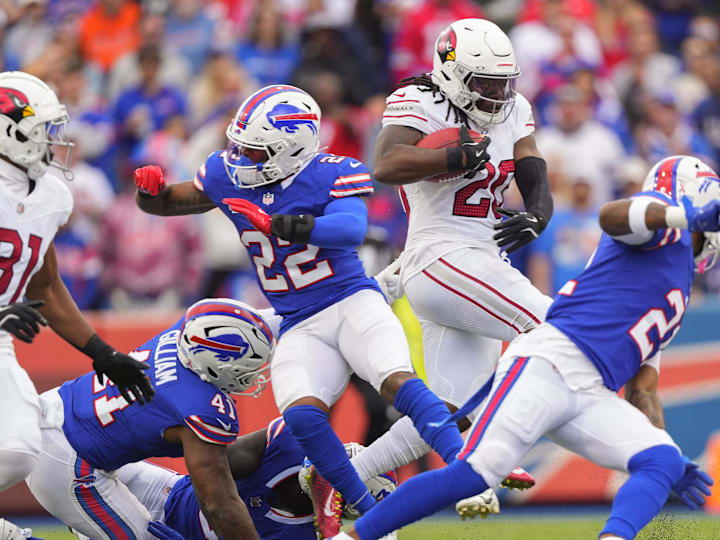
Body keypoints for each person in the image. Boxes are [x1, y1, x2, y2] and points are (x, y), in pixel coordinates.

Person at [132, 84, 465, 538]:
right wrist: (148, 194)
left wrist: (284, 225)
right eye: (240, 147)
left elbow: (350, 229)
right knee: (302, 416)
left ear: (291, 148)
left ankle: (470, 468)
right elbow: (173, 200)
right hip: (297, 320)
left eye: (255, 151)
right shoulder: (228, 174)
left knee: (394, 380)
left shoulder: (332, 172)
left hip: (349, 300)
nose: (241, 158)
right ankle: (365, 512)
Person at [334, 155, 719, 540]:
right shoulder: (660, 229)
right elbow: (613, 216)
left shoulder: (679, 286)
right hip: (550, 361)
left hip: (591, 390)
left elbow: (643, 390)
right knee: (474, 474)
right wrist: (684, 216)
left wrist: (668, 453)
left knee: (661, 459)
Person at [367, 18, 551, 514]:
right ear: (450, 72)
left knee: (454, 410)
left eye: (503, 82)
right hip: (441, 254)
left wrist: (540, 208)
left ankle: (341, 474)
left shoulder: (515, 109)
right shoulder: (420, 99)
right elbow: (384, 165)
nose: (496, 94)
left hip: (478, 260)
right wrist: (449, 156)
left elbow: (529, 160)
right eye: (484, 83)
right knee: (558, 327)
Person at [0, 71, 153, 496]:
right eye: (42, 130)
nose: (52, 140)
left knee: (18, 447)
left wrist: (102, 353)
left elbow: (45, 285)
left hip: (0, 339)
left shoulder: (51, 195)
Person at [25, 298, 275, 540]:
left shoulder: (189, 328)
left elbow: (252, 320)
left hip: (62, 410)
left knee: (173, 499)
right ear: (217, 365)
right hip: (65, 460)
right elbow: (218, 505)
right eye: (249, 367)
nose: (255, 374)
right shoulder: (200, 407)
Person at [74, 418, 398, 540]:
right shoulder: (290, 441)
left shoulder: (300, 535)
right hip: (168, 492)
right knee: (74, 459)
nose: (331, 464)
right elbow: (210, 465)